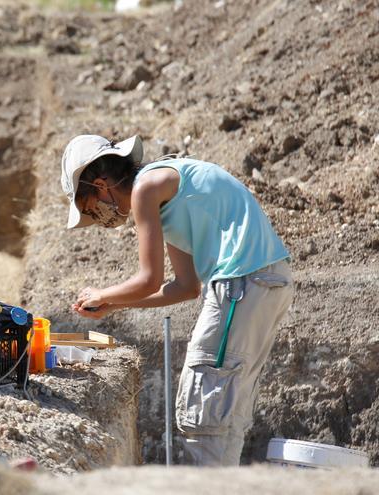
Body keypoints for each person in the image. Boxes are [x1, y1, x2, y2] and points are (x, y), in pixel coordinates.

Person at [59, 134, 294, 466]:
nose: (98, 218)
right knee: (229, 410)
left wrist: (102, 293)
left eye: (90, 208)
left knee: (203, 409)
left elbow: (148, 279)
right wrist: (118, 304)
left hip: (241, 283)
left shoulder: (145, 189)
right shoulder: (167, 194)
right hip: (265, 282)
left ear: (100, 185)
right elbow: (185, 286)